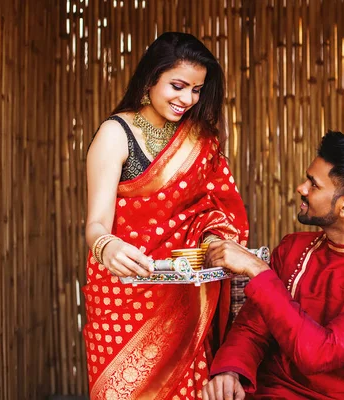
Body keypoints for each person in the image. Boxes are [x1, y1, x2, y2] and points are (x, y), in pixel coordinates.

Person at [83, 32, 248, 400]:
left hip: (185, 293)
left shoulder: (201, 141)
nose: (187, 99)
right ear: (150, 77)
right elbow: (96, 223)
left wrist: (213, 236)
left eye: (196, 90)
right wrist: (106, 245)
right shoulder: (116, 134)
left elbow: (218, 208)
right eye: (178, 85)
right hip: (121, 292)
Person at [202, 131, 344, 399]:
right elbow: (253, 327)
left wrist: (259, 271)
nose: (301, 188)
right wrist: (232, 369)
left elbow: (320, 354)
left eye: (313, 184)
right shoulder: (293, 248)